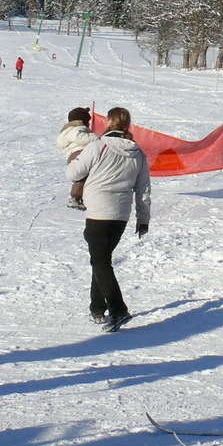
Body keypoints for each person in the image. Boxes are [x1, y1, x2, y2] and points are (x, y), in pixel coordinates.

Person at [68, 107, 151, 332]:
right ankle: (97, 307)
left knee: (100, 260)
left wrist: (73, 159)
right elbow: (143, 189)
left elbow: (74, 174)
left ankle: (118, 309)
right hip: (121, 215)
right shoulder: (138, 153)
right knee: (101, 258)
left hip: (98, 211)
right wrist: (143, 219)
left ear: (109, 123)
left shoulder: (97, 146)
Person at [56, 106, 96, 210]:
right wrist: (96, 138)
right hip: (79, 153)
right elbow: (80, 138)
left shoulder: (69, 130)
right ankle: (75, 197)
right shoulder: (76, 129)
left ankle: (79, 197)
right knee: (84, 176)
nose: (89, 124)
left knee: (83, 176)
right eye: (88, 122)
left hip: (74, 156)